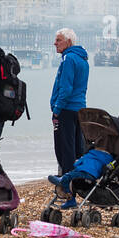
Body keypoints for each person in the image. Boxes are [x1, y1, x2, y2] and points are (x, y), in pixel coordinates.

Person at [48, 28, 89, 175]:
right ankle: (77, 177)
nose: (55, 43)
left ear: (69, 42)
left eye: (58, 40)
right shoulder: (82, 59)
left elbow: (66, 88)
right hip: (79, 109)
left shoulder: (69, 59)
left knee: (64, 147)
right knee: (77, 146)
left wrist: (57, 109)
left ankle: (67, 180)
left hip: (66, 109)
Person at [48, 148, 115, 203]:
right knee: (72, 177)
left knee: (71, 175)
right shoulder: (109, 159)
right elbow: (106, 170)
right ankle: (64, 186)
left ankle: (63, 182)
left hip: (83, 174)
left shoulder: (90, 154)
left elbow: (76, 164)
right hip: (92, 177)